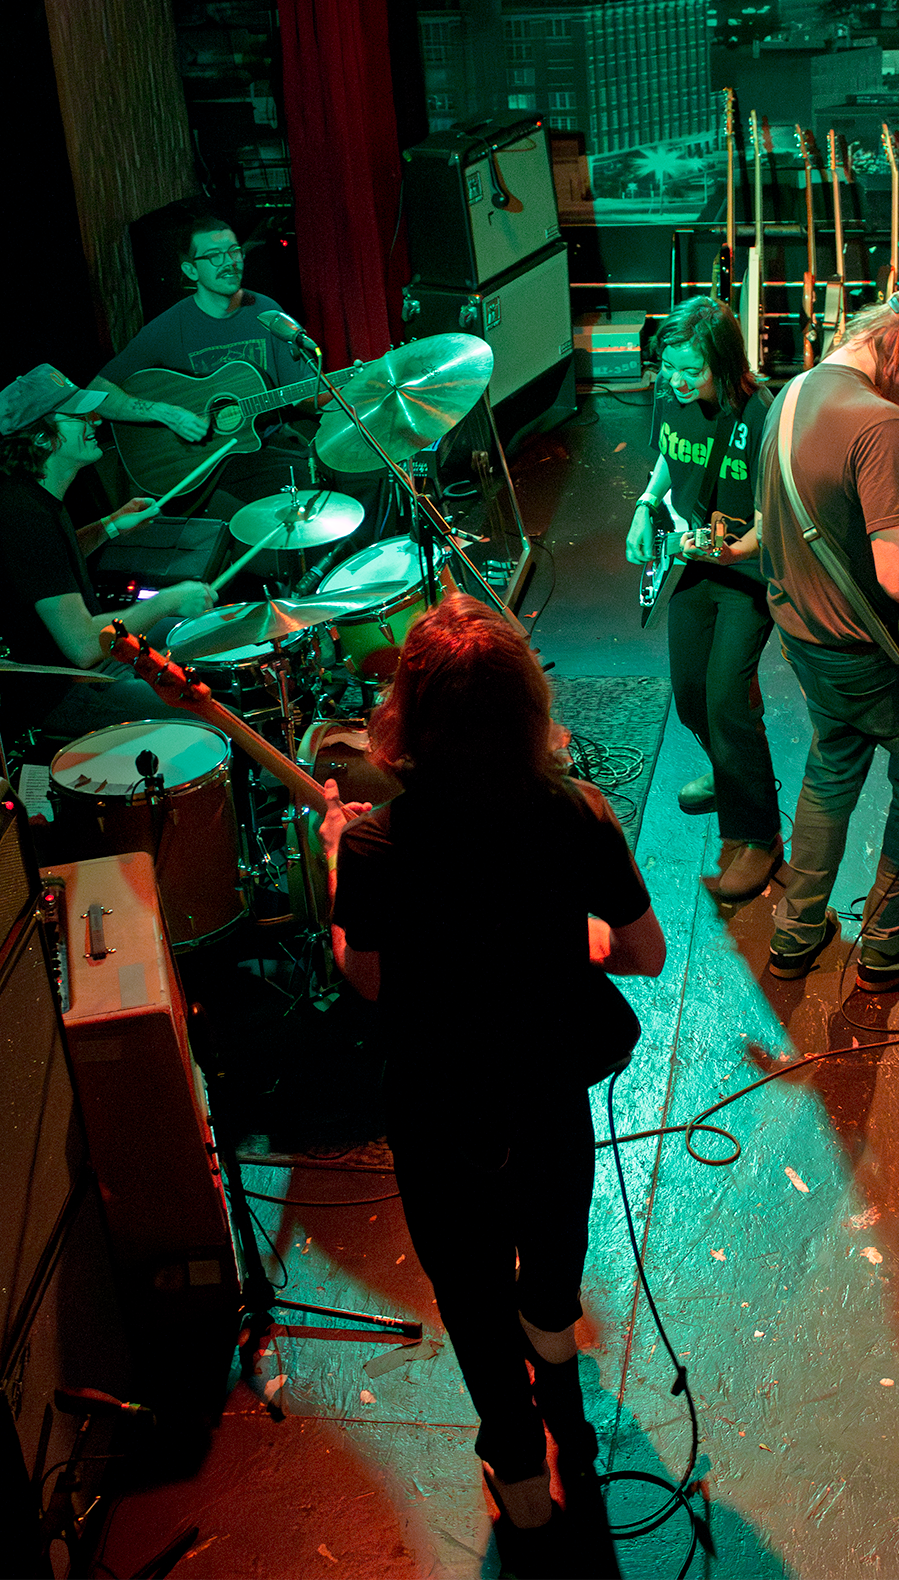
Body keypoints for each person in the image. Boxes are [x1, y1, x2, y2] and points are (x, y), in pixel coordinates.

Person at [318, 595, 665, 1579]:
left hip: (438, 1107)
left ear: (409, 717)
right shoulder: (577, 812)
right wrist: (575, 938)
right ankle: (562, 1391)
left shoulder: (378, 845)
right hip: (547, 1087)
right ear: (526, 708)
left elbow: (367, 977)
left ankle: (521, 1482)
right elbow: (643, 953)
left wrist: (337, 860)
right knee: (550, 1258)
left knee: (470, 1299)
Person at [754, 284, 899, 990]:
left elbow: (817, 515)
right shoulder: (881, 423)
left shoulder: (793, 393)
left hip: (804, 639)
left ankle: (795, 934)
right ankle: (887, 945)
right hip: (867, 654)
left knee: (833, 766)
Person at [624, 296, 782, 902]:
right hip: (698, 558)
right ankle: (729, 770)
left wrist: (732, 554)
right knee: (691, 694)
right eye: (669, 367)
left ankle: (758, 834)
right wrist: (645, 506)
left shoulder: (761, 414)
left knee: (726, 699)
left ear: (725, 363)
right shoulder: (671, 393)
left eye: (692, 370)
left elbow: (770, 525)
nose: (677, 380)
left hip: (747, 571)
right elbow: (670, 457)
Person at [0, 363, 216, 738]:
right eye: (79, 416)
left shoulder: (30, 493)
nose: (96, 421)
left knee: (199, 634)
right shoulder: (22, 515)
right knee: (213, 720)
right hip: (64, 691)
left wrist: (111, 525)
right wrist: (168, 599)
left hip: (89, 670)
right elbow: (84, 646)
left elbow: (49, 562)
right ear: (41, 438)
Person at [92, 209, 320, 520]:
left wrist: (357, 386)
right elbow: (96, 390)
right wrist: (168, 413)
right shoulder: (169, 328)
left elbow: (304, 393)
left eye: (234, 251)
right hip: (200, 465)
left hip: (263, 449)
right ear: (190, 270)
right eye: (214, 256)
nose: (229, 262)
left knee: (326, 479)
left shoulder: (266, 312)